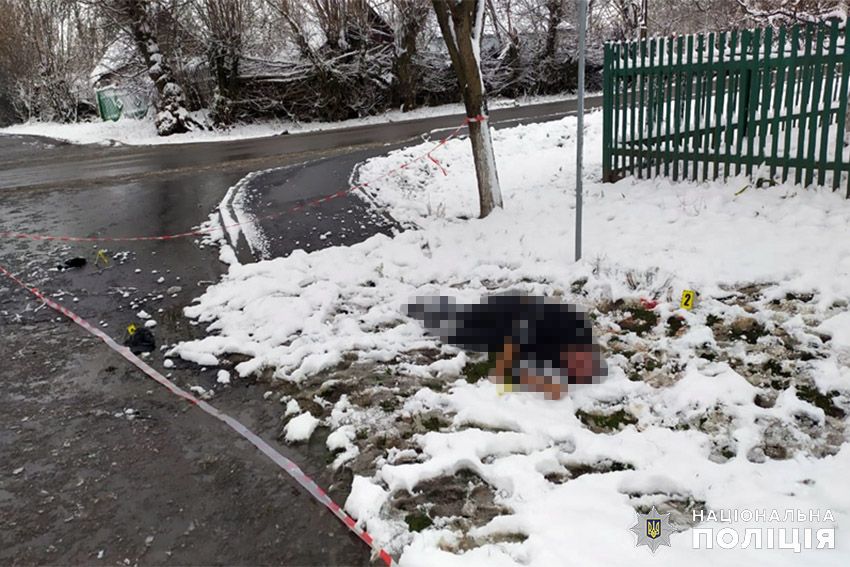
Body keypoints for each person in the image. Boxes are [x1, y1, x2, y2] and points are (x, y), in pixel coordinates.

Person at [406, 292, 606, 400]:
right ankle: (419, 307)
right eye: (576, 365)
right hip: (508, 311)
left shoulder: (581, 365)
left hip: (518, 317)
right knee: (458, 332)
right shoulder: (571, 325)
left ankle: (435, 303)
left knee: (463, 319)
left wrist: (538, 383)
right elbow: (501, 371)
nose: (571, 371)